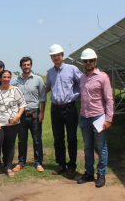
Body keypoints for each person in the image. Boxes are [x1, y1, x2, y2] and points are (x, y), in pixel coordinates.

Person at [77, 48, 113, 188]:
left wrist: (108, 118)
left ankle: (101, 174)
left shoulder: (103, 77)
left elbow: (109, 99)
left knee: (101, 147)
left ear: (95, 61)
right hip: (84, 117)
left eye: (90, 60)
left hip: (98, 117)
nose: (88, 63)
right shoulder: (82, 78)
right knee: (87, 147)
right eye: (85, 61)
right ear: (83, 62)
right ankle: (89, 172)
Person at [46, 44, 83, 179]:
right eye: (53, 56)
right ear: (51, 57)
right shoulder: (50, 72)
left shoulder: (72, 69)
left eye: (58, 55)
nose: (56, 58)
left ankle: (72, 166)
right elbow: (48, 87)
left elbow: (82, 82)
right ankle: (61, 164)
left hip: (69, 108)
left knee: (72, 138)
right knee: (58, 138)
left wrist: (76, 95)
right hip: (55, 109)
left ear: (62, 55)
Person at [0, 70, 26, 179]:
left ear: (10, 78)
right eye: (4, 77)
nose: (6, 79)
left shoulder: (16, 90)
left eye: (8, 77)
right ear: (0, 78)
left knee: (10, 145)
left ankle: (8, 167)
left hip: (13, 123)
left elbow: (22, 104)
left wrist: (18, 116)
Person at [12, 57, 46, 173]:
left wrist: (42, 112)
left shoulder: (38, 79)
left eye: (28, 64)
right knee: (22, 140)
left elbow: (43, 97)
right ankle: (21, 162)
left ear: (31, 66)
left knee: (37, 140)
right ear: (20, 66)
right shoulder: (16, 81)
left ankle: (38, 162)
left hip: (34, 115)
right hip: (21, 115)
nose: (26, 66)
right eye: (24, 65)